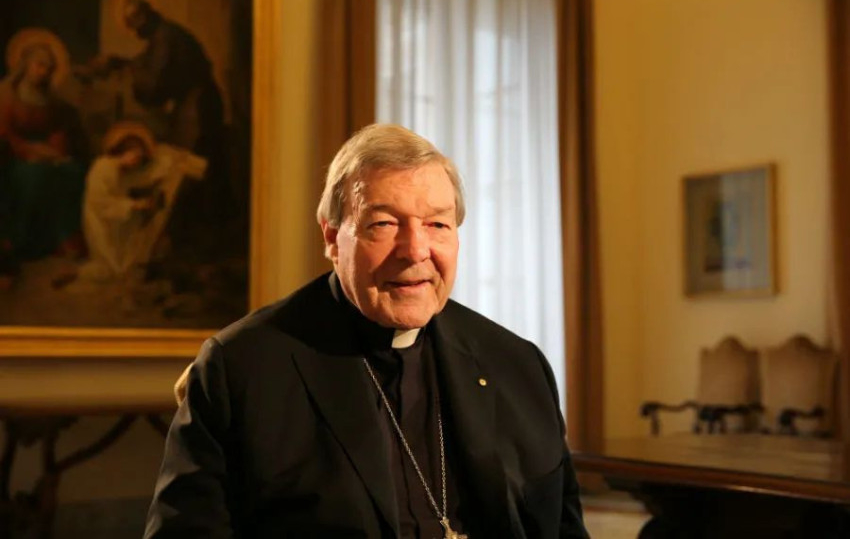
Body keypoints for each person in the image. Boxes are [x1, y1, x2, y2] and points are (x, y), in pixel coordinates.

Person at [144, 124, 589, 538]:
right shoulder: (242, 367)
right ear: (332, 237)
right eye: (384, 224)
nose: (415, 250)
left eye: (437, 224)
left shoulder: (517, 364)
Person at [73, 121, 206, 286]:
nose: (137, 159)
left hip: (114, 219)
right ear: (122, 150)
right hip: (102, 223)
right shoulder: (104, 166)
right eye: (134, 154)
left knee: (138, 234)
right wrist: (134, 205)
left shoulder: (121, 170)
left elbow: (143, 178)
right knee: (113, 267)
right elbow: (101, 203)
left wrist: (174, 162)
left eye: (140, 156)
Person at [0, 31, 88, 270]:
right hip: (14, 158)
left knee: (73, 171)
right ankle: (20, 242)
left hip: (44, 155)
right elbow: (5, 134)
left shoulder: (51, 99)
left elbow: (57, 131)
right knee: (34, 176)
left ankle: (62, 239)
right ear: (25, 64)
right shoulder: (6, 93)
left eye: (49, 68)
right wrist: (30, 151)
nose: (44, 72)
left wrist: (56, 154)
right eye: (40, 65)